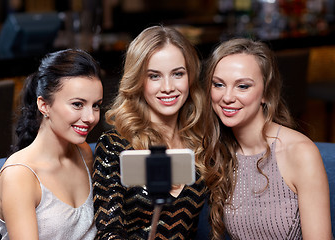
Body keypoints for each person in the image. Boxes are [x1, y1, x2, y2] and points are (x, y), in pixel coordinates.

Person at [201, 38, 333, 239]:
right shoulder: (219, 150)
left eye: (242, 86)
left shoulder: (300, 152)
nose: (227, 97)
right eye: (218, 84)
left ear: (265, 93)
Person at [92, 25, 207, 239]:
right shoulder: (115, 145)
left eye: (178, 74)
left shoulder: (200, 142)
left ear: (190, 77)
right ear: (138, 81)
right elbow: (109, 233)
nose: (168, 87)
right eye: (154, 76)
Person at [0, 49, 103, 239]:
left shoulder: (83, 153)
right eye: (77, 104)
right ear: (44, 105)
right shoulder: (19, 175)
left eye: (96, 105)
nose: (90, 117)